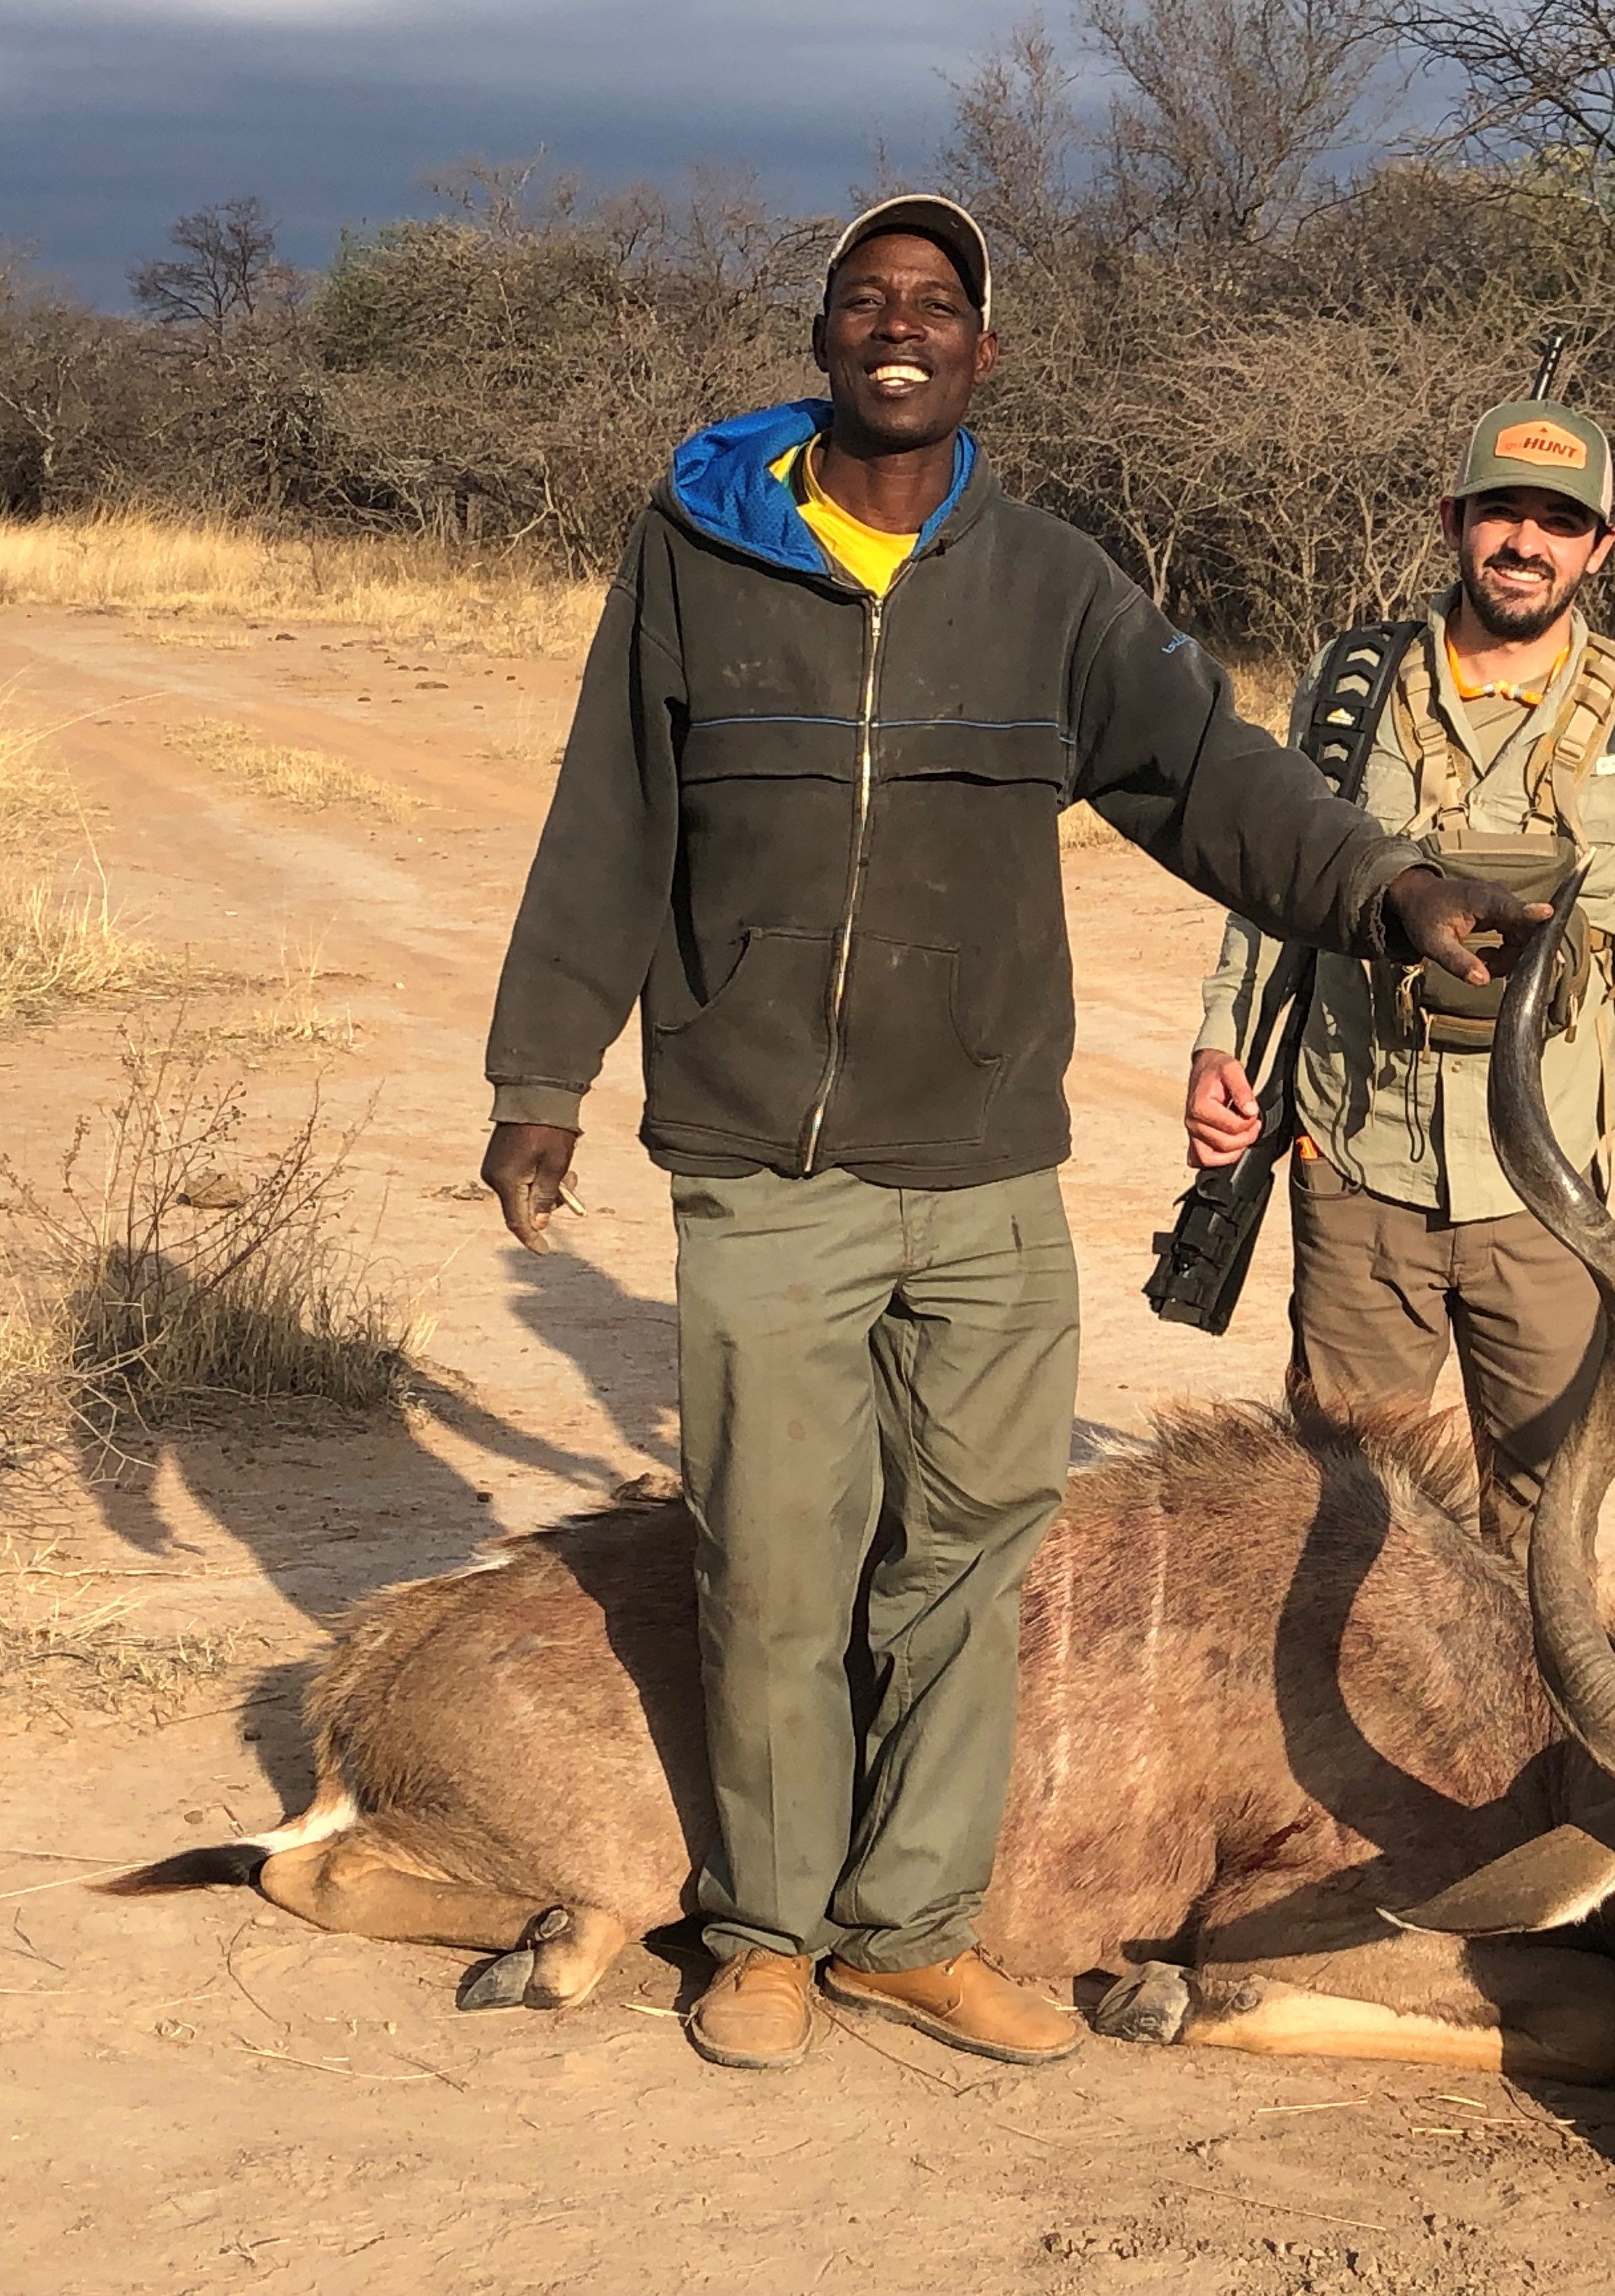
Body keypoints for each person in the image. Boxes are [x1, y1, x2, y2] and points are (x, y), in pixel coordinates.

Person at [479, 196, 1540, 2076]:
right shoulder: (696, 552)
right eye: (868, 300)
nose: (903, 327)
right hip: (765, 1166)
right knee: (777, 1558)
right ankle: (768, 1937)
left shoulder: (1048, 582)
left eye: (939, 306)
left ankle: (907, 1930)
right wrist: (541, 1080)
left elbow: (1211, 778)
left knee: (967, 1559)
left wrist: (1385, 890)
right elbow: (609, 818)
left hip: (981, 1176)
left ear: (986, 356)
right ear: (822, 337)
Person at [1182, 397, 1615, 1547]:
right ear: (1454, 521)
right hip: (1355, 1161)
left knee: (1544, 1534)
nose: (1524, 543)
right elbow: (1279, 879)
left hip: (1542, 1183)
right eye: (1501, 513)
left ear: (1600, 547)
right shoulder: (1349, 685)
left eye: (1557, 521)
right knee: (1345, 1522)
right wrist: (1222, 1043)